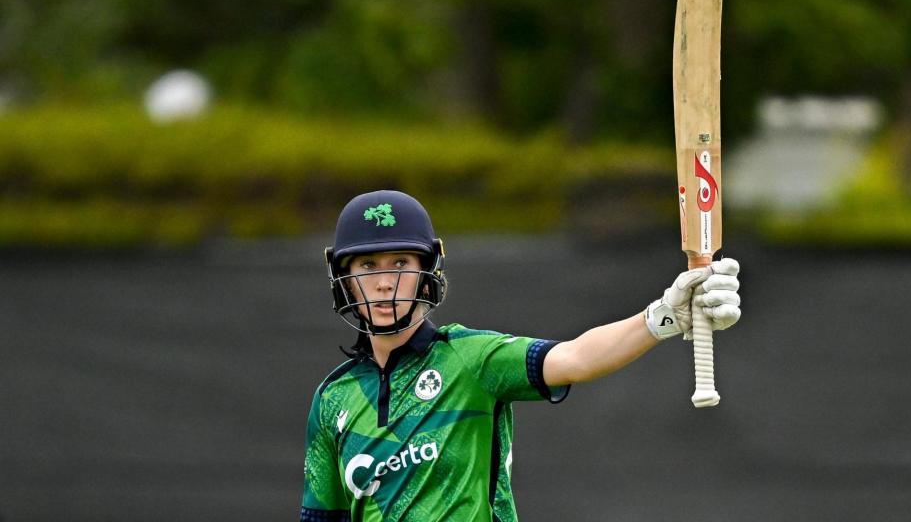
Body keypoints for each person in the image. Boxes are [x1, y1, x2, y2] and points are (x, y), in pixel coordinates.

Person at [300, 190, 742, 522]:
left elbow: (577, 358)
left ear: (426, 274)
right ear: (345, 278)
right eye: (367, 266)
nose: (384, 283)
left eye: (399, 264)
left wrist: (663, 316)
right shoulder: (332, 400)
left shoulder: (471, 359)